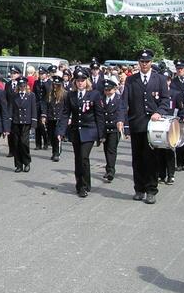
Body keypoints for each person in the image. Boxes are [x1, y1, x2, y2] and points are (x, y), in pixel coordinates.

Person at [123, 49, 169, 204]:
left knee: (151, 159)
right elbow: (125, 103)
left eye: (147, 62)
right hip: (136, 124)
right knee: (137, 159)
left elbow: (165, 100)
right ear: (139, 63)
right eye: (142, 62)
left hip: (153, 126)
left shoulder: (160, 79)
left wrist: (159, 112)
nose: (144, 64)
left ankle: (151, 190)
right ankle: (139, 189)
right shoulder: (131, 80)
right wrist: (125, 124)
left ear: (151, 62)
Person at [57, 68, 105, 198]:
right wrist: (60, 131)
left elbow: (99, 115)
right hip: (75, 131)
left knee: (84, 156)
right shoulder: (70, 95)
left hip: (89, 130)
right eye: (78, 81)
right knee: (79, 159)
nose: (80, 83)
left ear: (87, 81)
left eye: (83, 80)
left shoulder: (94, 95)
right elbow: (65, 113)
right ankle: (81, 184)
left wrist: (101, 134)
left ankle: (83, 186)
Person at [8, 76, 37, 173]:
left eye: (23, 85)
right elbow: (11, 109)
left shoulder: (31, 95)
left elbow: (33, 109)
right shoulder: (14, 95)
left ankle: (27, 162)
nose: (22, 87)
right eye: (20, 86)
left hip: (26, 122)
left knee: (24, 143)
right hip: (16, 122)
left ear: (26, 85)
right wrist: (9, 122)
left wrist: (34, 122)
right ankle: (18, 164)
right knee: (16, 144)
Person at [158, 70, 183, 185]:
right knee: (159, 150)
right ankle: (161, 174)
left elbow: (181, 109)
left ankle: (171, 175)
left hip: (171, 124)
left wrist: (183, 117)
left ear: (169, 81)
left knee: (170, 150)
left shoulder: (175, 93)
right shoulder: (156, 93)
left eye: (167, 80)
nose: (165, 82)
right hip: (159, 124)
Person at [101, 79, 126, 183]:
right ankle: (108, 168)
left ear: (115, 89)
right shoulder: (101, 99)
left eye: (109, 90)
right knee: (106, 149)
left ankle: (111, 170)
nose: (107, 92)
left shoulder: (119, 99)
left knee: (111, 149)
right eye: (106, 90)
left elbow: (121, 111)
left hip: (114, 128)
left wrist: (120, 121)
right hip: (104, 128)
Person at [41, 76, 66, 162]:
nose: (55, 86)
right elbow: (44, 104)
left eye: (57, 85)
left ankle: (57, 153)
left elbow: (67, 107)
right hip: (50, 117)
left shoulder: (64, 94)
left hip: (60, 118)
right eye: (54, 84)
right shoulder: (49, 93)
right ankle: (53, 152)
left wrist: (68, 117)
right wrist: (44, 115)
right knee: (51, 136)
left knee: (57, 136)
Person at [4, 66, 23, 157]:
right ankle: (11, 150)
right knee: (9, 131)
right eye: (11, 73)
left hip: (17, 110)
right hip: (8, 109)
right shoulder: (8, 84)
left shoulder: (21, 84)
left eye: (14, 73)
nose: (12, 75)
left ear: (19, 74)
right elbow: (5, 97)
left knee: (17, 131)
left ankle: (17, 149)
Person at [33, 67, 51, 150]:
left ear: (46, 74)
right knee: (37, 125)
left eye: (42, 74)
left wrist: (45, 82)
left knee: (43, 125)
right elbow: (34, 93)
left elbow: (48, 91)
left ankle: (46, 142)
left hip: (45, 105)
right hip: (37, 105)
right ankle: (38, 144)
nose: (41, 75)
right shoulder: (36, 82)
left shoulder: (49, 82)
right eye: (40, 74)